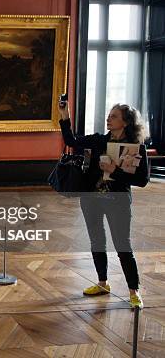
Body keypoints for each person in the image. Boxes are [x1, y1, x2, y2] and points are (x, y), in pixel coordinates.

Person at [58, 100, 149, 309]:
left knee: (122, 245)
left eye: (114, 116)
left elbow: (142, 181)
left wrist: (114, 170)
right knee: (97, 241)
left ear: (125, 122)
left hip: (118, 201)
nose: (108, 118)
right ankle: (103, 283)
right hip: (91, 200)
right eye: (109, 115)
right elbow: (71, 140)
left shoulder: (136, 148)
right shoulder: (99, 141)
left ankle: (134, 291)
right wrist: (65, 115)